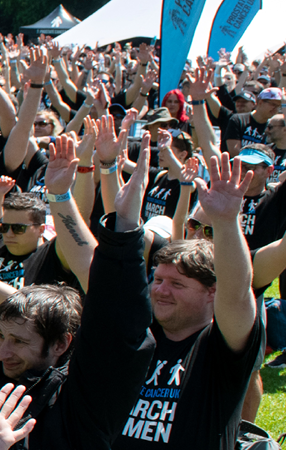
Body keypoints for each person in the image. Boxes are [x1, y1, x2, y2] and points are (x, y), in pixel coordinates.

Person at [0, 110, 156, 449]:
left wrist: (126, 228)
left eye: (19, 341)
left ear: (61, 344)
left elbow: (119, 331)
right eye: (1, 336)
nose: (2, 352)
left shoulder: (81, 402)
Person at [112, 153, 264, 449]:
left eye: (177, 284)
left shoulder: (220, 347)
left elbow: (236, 292)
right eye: (158, 280)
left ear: (212, 292)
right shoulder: (139, 334)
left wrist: (226, 223)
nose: (161, 291)